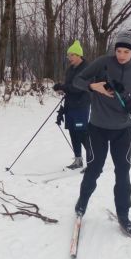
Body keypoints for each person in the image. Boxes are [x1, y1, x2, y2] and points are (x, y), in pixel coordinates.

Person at [71, 29, 131, 235]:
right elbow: (77, 81)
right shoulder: (103, 62)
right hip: (98, 128)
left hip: (122, 130)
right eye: (119, 50)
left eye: (126, 52)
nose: (121, 55)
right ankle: (82, 203)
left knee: (122, 172)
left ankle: (123, 215)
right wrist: (93, 86)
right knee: (94, 169)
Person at [53, 40, 91, 170]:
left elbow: (79, 87)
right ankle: (78, 160)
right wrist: (61, 87)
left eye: (71, 55)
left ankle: (93, 161)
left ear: (79, 55)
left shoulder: (86, 68)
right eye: (68, 55)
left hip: (81, 106)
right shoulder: (70, 69)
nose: (69, 58)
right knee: (73, 133)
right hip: (70, 105)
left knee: (82, 133)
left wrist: (63, 87)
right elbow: (69, 86)